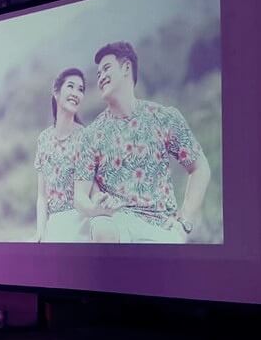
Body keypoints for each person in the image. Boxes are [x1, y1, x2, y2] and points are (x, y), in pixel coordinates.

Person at [73, 41, 211, 243]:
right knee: (102, 227)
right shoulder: (90, 135)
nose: (100, 77)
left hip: (162, 226)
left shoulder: (163, 117)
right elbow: (80, 196)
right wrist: (96, 209)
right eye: (98, 73)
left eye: (106, 68)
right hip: (117, 222)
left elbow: (200, 168)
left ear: (126, 67)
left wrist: (185, 222)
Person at [32, 68, 92, 242]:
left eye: (80, 89)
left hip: (80, 224)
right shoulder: (43, 139)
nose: (76, 93)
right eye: (71, 86)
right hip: (54, 224)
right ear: (56, 92)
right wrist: (40, 232)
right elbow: (42, 197)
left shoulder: (85, 137)